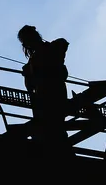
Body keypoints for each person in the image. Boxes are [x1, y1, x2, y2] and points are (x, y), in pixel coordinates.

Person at [18, 25, 71, 155]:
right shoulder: (44, 52)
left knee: (51, 128)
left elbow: (62, 45)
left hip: (49, 96)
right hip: (47, 96)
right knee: (53, 129)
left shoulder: (47, 50)